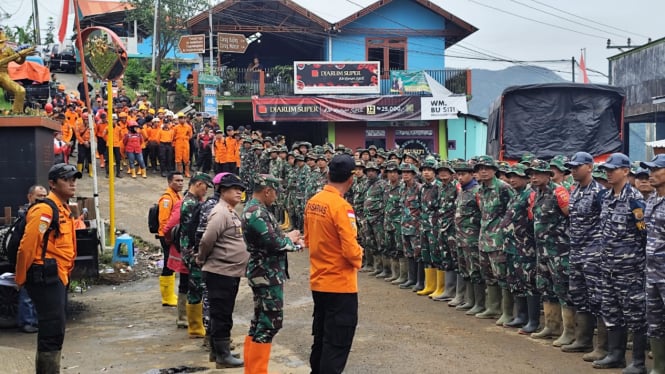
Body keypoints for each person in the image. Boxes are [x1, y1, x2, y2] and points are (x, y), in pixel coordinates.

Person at [15, 164, 81, 372]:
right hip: (45, 275)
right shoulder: (45, 210)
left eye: (74, 179)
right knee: (51, 330)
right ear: (52, 183)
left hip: (58, 275)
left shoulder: (63, 208)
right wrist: (20, 278)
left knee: (56, 329)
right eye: (66, 179)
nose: (72, 183)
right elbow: (27, 246)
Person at [304, 154, 363, 374]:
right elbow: (350, 249)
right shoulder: (341, 206)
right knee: (337, 342)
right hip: (340, 284)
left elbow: (308, 239)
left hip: (319, 280)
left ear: (328, 174)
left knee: (321, 337)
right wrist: (360, 256)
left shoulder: (314, 202)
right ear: (351, 179)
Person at [242, 174, 304, 373]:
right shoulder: (256, 212)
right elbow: (274, 243)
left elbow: (270, 236)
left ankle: (252, 369)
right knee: (269, 323)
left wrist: (287, 236)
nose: (276, 197)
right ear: (267, 191)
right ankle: (257, 371)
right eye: (275, 192)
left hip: (264, 272)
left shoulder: (256, 210)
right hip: (266, 273)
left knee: (260, 322)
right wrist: (293, 243)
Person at [593, 153, 647, 371]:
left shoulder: (635, 199)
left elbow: (644, 235)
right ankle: (615, 355)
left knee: (635, 314)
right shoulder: (605, 197)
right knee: (611, 311)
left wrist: (636, 263)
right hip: (607, 266)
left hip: (630, 268)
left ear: (625, 171)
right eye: (606, 169)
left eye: (612, 169)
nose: (608, 172)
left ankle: (638, 362)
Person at [197, 173, 248, 369]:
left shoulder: (230, 211)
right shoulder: (220, 212)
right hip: (220, 272)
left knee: (224, 313)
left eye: (240, 189)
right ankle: (222, 355)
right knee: (221, 313)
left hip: (229, 271)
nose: (238, 192)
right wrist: (201, 258)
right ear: (222, 191)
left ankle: (219, 350)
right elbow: (207, 239)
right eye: (234, 189)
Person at [561, 152, 606, 356]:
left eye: (577, 166)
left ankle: (602, 348)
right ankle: (583, 339)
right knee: (579, 296)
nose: (573, 169)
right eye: (571, 166)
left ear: (590, 167)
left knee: (598, 299)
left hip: (594, 254)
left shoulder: (599, 192)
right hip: (576, 252)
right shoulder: (576, 190)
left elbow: (606, 223)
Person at [180, 173, 214, 339]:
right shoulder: (190, 204)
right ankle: (195, 327)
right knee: (196, 288)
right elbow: (193, 231)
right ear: (198, 184)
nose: (206, 191)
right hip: (192, 252)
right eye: (205, 187)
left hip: (190, 250)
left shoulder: (192, 201)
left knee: (196, 287)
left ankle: (196, 324)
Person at [641, 154, 665, 374]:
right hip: (652, 271)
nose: (650, 174)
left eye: (656, 169)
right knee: (655, 320)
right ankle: (658, 366)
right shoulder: (652, 200)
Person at [15, 185, 48, 334]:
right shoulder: (27, 214)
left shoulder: (43, 213)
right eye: (38, 196)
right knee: (27, 293)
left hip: (39, 258)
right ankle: (27, 322)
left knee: (35, 294)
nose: (42, 199)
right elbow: (30, 239)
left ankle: (33, 321)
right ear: (29, 197)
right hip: (29, 257)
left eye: (44, 196)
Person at [157, 172, 184, 307]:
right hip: (166, 236)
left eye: (181, 180)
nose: (180, 183)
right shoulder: (167, 199)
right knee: (168, 264)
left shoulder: (177, 196)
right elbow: (164, 221)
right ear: (169, 182)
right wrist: (167, 237)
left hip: (172, 235)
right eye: (177, 181)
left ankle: (170, 294)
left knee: (171, 263)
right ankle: (166, 297)